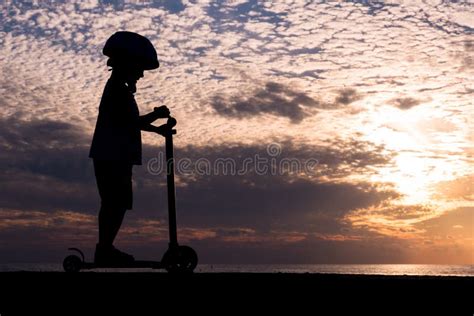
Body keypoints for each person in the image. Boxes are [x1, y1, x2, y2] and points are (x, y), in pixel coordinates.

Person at [89, 31, 169, 266]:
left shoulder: (118, 88)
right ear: (128, 65)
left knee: (116, 203)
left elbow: (129, 123)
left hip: (115, 155)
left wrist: (158, 129)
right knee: (114, 203)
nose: (142, 75)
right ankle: (104, 249)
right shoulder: (117, 89)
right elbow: (131, 122)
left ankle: (105, 248)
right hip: (112, 156)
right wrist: (157, 115)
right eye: (139, 68)